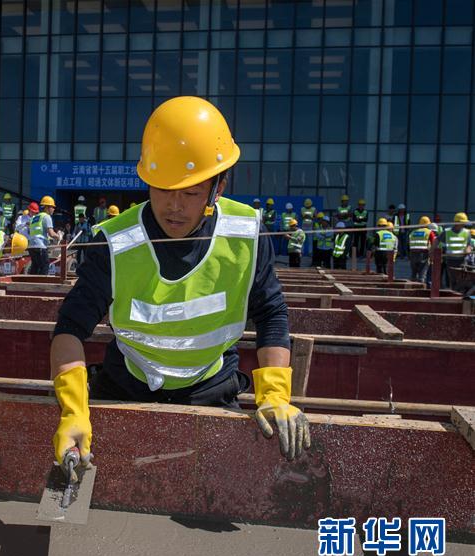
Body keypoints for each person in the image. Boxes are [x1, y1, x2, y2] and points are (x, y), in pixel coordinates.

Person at [49, 96, 308, 467]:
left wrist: (275, 396)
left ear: (218, 188)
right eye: (162, 189)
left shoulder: (246, 235)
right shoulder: (116, 243)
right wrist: (73, 411)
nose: (174, 207)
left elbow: (272, 315)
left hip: (212, 389)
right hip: (126, 387)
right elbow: (69, 329)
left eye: (189, 194)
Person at [28, 196, 60, 275]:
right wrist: (59, 236)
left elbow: (34, 231)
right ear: (47, 207)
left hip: (31, 246)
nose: (53, 209)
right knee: (45, 265)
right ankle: (41, 285)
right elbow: (51, 233)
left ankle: (30, 284)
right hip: (40, 246)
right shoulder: (46, 217)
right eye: (52, 207)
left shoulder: (35, 217)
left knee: (35, 266)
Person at [441, 213, 472, 291]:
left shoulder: (467, 232)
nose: (464, 224)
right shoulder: (447, 231)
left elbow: (469, 245)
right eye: (463, 222)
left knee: (461, 280)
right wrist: (432, 252)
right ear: (458, 222)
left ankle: (459, 295)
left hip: (462, 260)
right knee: (453, 280)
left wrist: (468, 249)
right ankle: (454, 294)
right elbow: (436, 241)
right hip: (450, 260)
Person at [408, 216, 435, 283]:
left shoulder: (413, 232)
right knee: (422, 275)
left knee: (413, 275)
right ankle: (420, 289)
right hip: (423, 255)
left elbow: (408, 244)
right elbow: (434, 244)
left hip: (413, 254)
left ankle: (412, 289)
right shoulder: (429, 232)